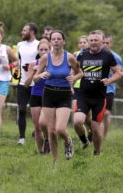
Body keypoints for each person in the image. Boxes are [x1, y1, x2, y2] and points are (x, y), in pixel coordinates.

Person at [34, 30, 83, 162]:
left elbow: (80, 73)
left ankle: (67, 141)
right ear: (50, 42)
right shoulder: (45, 58)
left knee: (60, 129)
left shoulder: (69, 57)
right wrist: (40, 75)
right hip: (49, 94)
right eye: (53, 39)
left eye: (59, 39)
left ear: (63, 41)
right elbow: (35, 78)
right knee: (51, 131)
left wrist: (73, 78)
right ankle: (55, 161)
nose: (56, 41)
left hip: (64, 95)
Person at [73, 30, 121, 155]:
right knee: (77, 121)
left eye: (96, 40)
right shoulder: (82, 55)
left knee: (96, 129)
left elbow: (118, 72)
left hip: (99, 98)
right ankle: (84, 141)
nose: (93, 43)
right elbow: (75, 72)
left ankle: (97, 152)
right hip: (83, 95)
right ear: (88, 42)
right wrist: (71, 84)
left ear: (101, 42)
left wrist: (109, 80)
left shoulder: (107, 55)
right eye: (91, 40)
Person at [24, 40, 51, 154]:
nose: (44, 52)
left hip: (49, 95)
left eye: (46, 49)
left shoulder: (54, 63)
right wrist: (33, 73)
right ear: (38, 51)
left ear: (50, 50)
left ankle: (48, 140)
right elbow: (26, 84)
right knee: (37, 126)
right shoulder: (33, 63)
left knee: (43, 123)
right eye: (41, 49)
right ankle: (41, 151)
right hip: (35, 94)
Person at [16, 23, 39, 145]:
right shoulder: (20, 45)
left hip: (36, 83)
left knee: (37, 112)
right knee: (22, 110)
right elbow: (18, 62)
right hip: (22, 83)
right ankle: (22, 138)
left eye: (24, 30)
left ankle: (38, 135)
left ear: (32, 32)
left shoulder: (39, 45)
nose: (22, 32)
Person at [102, 34, 123, 137]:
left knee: (106, 113)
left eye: (107, 43)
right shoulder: (96, 54)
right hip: (95, 88)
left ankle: (104, 135)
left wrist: (117, 76)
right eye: (103, 42)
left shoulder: (116, 57)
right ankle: (95, 133)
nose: (105, 45)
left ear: (111, 44)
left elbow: (121, 71)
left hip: (109, 89)